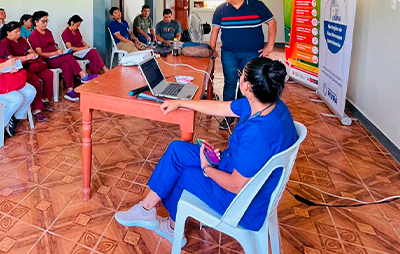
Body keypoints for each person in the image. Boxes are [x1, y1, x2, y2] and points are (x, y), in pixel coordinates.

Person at [115, 58, 297, 246]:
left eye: (241, 75)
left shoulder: (258, 134)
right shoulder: (267, 104)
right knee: (177, 150)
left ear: (247, 87)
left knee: (183, 175)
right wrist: (181, 103)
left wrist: (206, 168)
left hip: (242, 203)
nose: (240, 76)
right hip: (235, 168)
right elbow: (221, 107)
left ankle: (171, 228)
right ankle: (146, 210)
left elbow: (236, 185)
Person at [210, 0, 277, 128]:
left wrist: (270, 45)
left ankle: (243, 116)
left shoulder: (256, 5)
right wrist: (212, 48)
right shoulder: (221, 9)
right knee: (229, 83)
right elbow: (215, 31)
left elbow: (272, 23)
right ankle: (228, 117)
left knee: (246, 85)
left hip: (252, 53)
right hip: (229, 54)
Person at [29, 10, 97, 102]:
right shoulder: (34, 35)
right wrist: (56, 53)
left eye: (46, 21)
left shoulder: (48, 32)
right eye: (43, 21)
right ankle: (83, 75)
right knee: (68, 57)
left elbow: (53, 45)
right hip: (47, 59)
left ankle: (70, 90)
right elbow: (40, 53)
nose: (45, 24)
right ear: (36, 22)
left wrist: (58, 50)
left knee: (66, 64)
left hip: (56, 56)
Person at [0, 21, 53, 122]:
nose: (19, 34)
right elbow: (10, 59)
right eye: (16, 32)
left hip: (32, 64)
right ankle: (36, 109)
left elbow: (30, 49)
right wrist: (26, 57)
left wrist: (32, 54)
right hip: (19, 68)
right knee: (35, 80)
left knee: (48, 74)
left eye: (19, 31)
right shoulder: (5, 43)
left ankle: (45, 99)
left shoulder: (21, 40)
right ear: (8, 32)